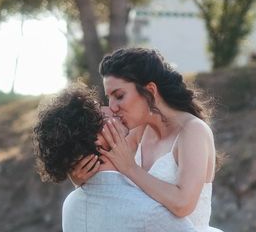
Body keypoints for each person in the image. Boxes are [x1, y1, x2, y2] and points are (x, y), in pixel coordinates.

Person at [33, 86, 197, 232]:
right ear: (99, 139)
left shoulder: (70, 205)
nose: (111, 109)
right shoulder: (150, 212)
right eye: (100, 113)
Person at [97, 47, 223, 232]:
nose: (112, 107)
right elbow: (107, 186)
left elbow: (183, 204)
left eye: (119, 96)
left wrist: (130, 168)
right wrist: (78, 178)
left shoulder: (192, 131)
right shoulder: (138, 131)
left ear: (150, 90)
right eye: (109, 98)